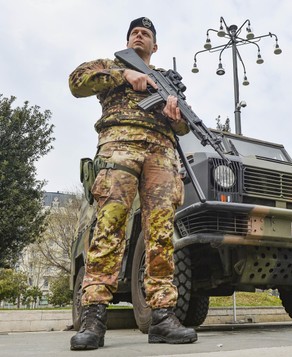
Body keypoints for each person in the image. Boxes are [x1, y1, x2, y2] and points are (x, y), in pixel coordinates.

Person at [68, 17, 197, 350]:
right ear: (128, 42)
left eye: (147, 34)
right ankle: (94, 319)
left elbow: (184, 128)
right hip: (118, 147)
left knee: (161, 235)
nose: (140, 36)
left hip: (161, 154)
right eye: (135, 33)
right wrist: (123, 74)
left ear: (156, 46)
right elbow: (76, 82)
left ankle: (163, 317)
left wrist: (175, 115)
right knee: (108, 229)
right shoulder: (111, 65)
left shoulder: (166, 81)